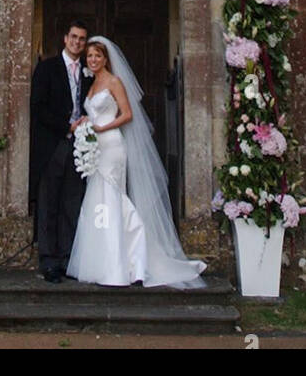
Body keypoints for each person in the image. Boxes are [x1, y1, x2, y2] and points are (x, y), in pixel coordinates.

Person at [66, 35, 207, 289]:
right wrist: (84, 124)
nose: (93, 59)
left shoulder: (114, 81)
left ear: (106, 58)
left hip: (112, 144)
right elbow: (92, 113)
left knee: (111, 197)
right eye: (90, 56)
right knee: (97, 198)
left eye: (97, 55)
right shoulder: (92, 84)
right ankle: (100, 262)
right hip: (96, 146)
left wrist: (102, 127)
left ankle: (122, 263)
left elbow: (127, 114)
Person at [29, 19, 89, 282]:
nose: (77, 42)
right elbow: (38, 107)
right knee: (49, 202)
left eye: (82, 39)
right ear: (65, 39)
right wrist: (67, 126)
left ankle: (68, 258)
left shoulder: (90, 70)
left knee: (72, 202)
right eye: (74, 37)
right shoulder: (47, 68)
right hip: (54, 143)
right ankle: (49, 261)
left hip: (80, 148)